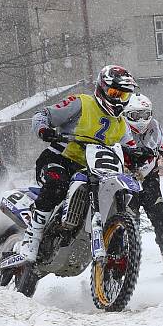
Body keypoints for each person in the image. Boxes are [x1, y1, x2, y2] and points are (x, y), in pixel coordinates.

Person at [8, 65, 139, 266]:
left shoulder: (122, 124)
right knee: (56, 183)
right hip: (59, 159)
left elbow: (130, 148)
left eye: (124, 96)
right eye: (114, 93)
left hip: (93, 171)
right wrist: (44, 130)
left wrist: (141, 154)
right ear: (102, 88)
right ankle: (30, 240)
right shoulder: (81, 103)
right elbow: (42, 115)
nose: (118, 99)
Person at [124, 94, 163, 277]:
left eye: (145, 114)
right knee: (127, 222)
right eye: (135, 115)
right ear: (126, 115)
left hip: (149, 179)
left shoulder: (155, 127)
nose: (141, 120)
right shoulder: (117, 127)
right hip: (124, 181)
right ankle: (120, 262)